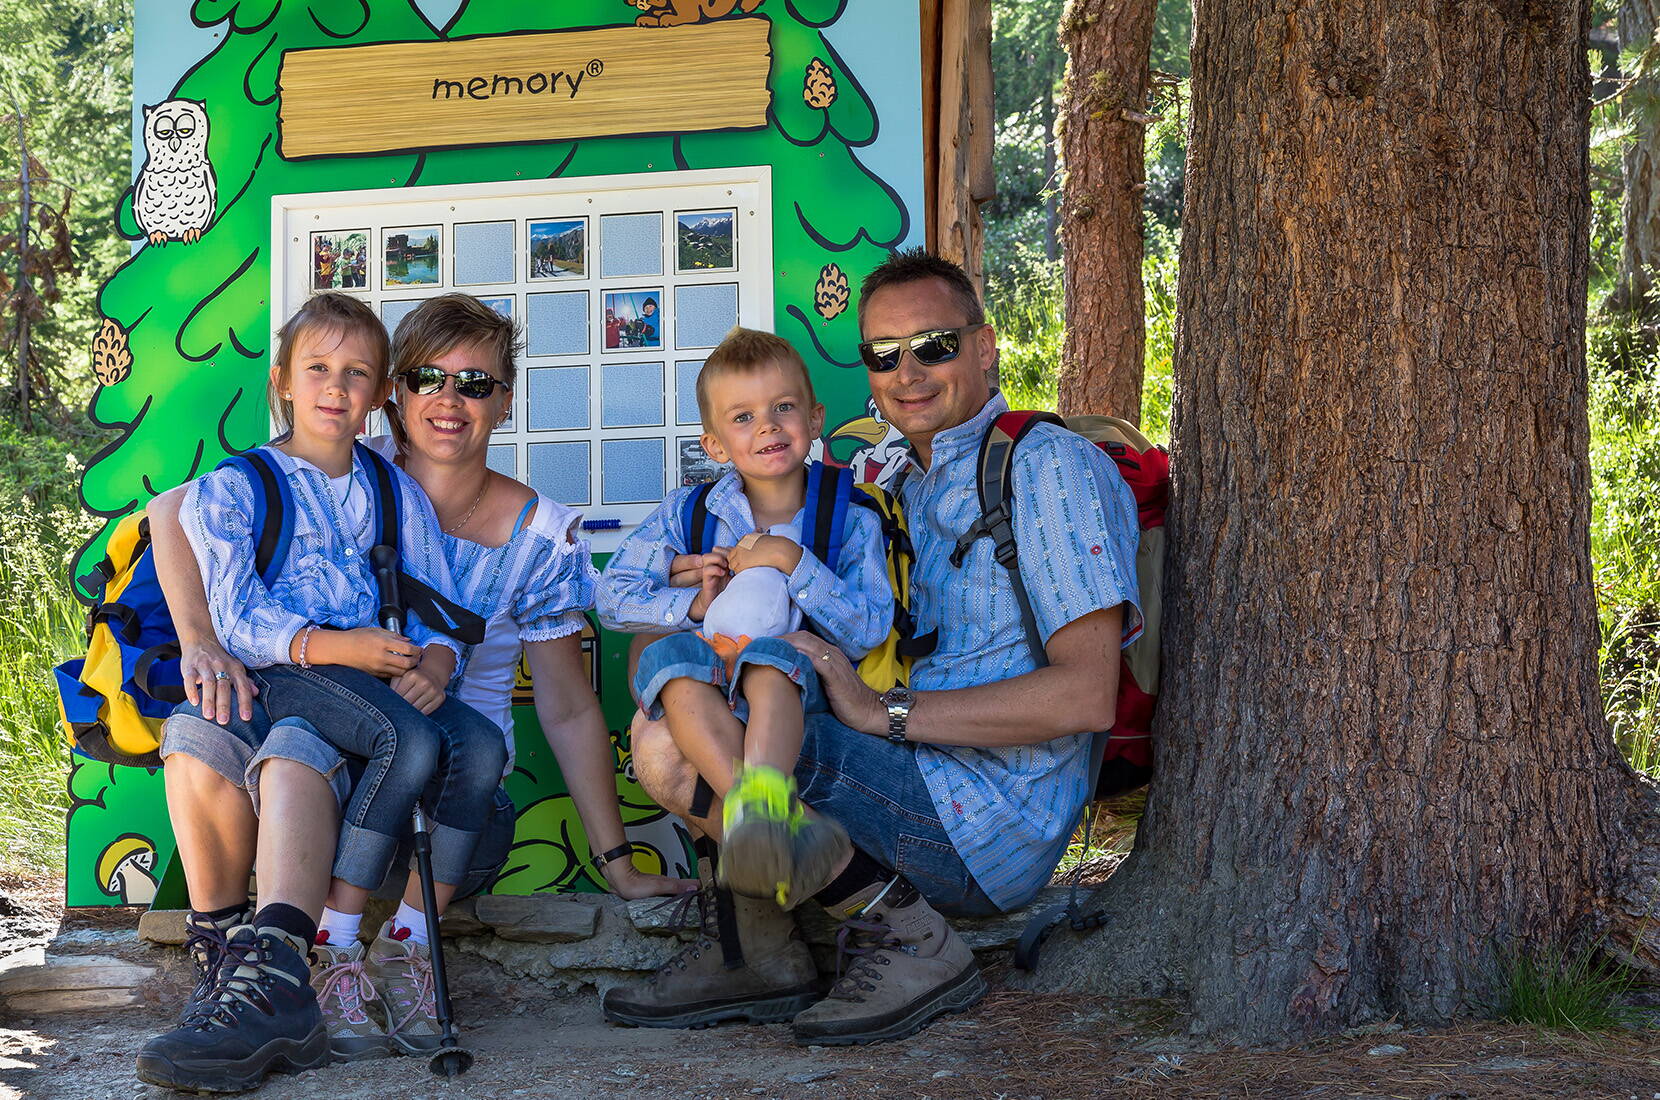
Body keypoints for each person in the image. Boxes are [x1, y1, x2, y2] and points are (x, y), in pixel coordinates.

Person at [137, 294, 693, 1092]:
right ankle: (249, 969)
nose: (451, 398)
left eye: (476, 383)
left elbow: (569, 709)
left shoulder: (510, 529)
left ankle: (368, 956)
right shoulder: (331, 470)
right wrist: (199, 638)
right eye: (430, 376)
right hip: (327, 752)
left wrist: (618, 863)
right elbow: (171, 511)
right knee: (217, 732)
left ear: (505, 398)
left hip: (447, 803)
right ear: (396, 393)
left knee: (418, 743)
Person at [609, 249, 1143, 1046]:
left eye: (934, 345)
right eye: (883, 355)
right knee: (684, 690)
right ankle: (755, 948)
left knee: (671, 749)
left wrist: (880, 710)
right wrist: (695, 595)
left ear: (987, 346)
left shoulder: (1046, 467)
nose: (908, 372)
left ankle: (903, 934)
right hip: (910, 773)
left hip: (982, 817)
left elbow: (1085, 695)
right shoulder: (896, 485)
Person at [598, 327, 891, 908]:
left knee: (770, 660)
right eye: (743, 417)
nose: (767, 426)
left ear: (815, 417)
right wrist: (692, 604)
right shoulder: (690, 513)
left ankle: (759, 818)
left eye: (784, 408)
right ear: (713, 445)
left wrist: (793, 561)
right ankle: (766, 827)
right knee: (668, 662)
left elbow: (867, 628)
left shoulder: (849, 515)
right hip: (710, 680)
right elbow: (612, 597)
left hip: (798, 688)